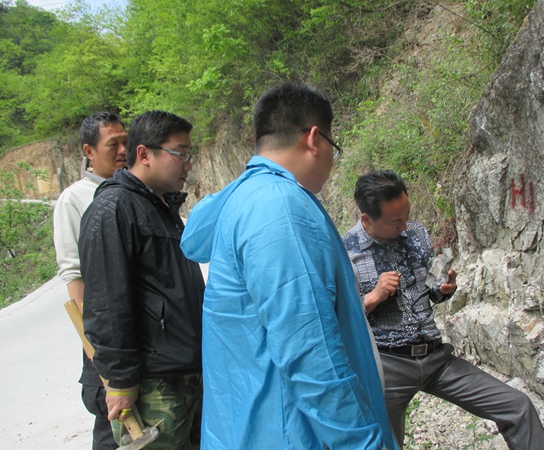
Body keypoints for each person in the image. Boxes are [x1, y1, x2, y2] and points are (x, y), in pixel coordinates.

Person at [180, 83, 398, 450]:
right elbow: (310, 352)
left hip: (247, 427)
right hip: (290, 433)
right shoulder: (278, 207)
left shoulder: (244, 198)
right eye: (333, 147)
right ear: (314, 139)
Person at [342, 170, 544, 450]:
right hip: (387, 364)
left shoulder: (416, 233)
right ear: (367, 219)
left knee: (517, 406)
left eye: (407, 215)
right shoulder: (345, 252)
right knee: (383, 444)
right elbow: (339, 320)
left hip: (436, 357)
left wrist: (443, 290)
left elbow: (428, 291)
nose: (405, 225)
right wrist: (372, 298)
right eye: (395, 221)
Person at [79, 110, 204, 449]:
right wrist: (120, 380)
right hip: (152, 383)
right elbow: (105, 304)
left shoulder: (161, 207)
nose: (188, 165)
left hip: (184, 374)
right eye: (180, 154)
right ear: (144, 154)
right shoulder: (113, 209)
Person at [53, 111, 128, 450]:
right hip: (104, 336)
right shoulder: (76, 199)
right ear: (89, 151)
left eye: (126, 141)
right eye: (113, 144)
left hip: (136, 333)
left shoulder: (134, 189)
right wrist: (97, 349)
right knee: (113, 424)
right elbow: (74, 275)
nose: (123, 150)